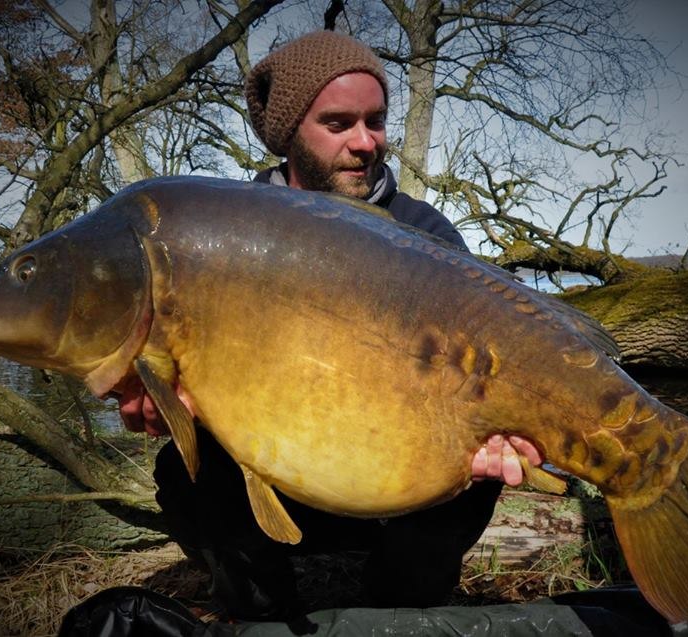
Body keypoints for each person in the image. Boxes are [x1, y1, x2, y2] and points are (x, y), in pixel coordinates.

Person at [117, 30, 544, 621]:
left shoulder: (426, 233)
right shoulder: (229, 235)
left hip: (396, 484)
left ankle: (403, 611)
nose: (366, 143)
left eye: (377, 120)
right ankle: (261, 611)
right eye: (339, 124)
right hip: (282, 476)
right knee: (183, 474)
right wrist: (165, 401)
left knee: (478, 471)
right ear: (290, 132)